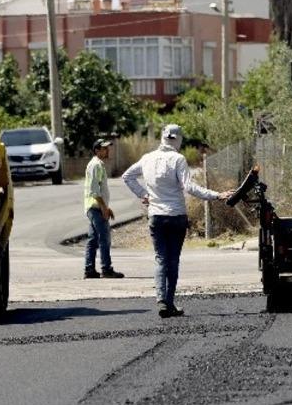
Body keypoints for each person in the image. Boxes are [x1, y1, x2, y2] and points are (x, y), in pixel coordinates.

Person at [122, 124, 233, 318]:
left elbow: (127, 176)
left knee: (160, 258)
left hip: (156, 216)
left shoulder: (147, 158)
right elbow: (189, 187)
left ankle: (161, 299)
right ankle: (170, 302)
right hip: (176, 217)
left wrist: (143, 194)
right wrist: (218, 195)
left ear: (163, 138)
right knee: (173, 260)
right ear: (178, 139)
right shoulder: (178, 159)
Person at [83, 138, 124, 280]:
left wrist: (106, 207)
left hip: (95, 207)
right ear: (97, 150)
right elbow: (95, 191)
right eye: (104, 148)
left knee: (93, 239)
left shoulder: (97, 165)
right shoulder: (96, 165)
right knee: (104, 239)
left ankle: (89, 270)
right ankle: (106, 269)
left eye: (107, 148)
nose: (107, 150)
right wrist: (103, 208)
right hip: (95, 208)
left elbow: (98, 190)